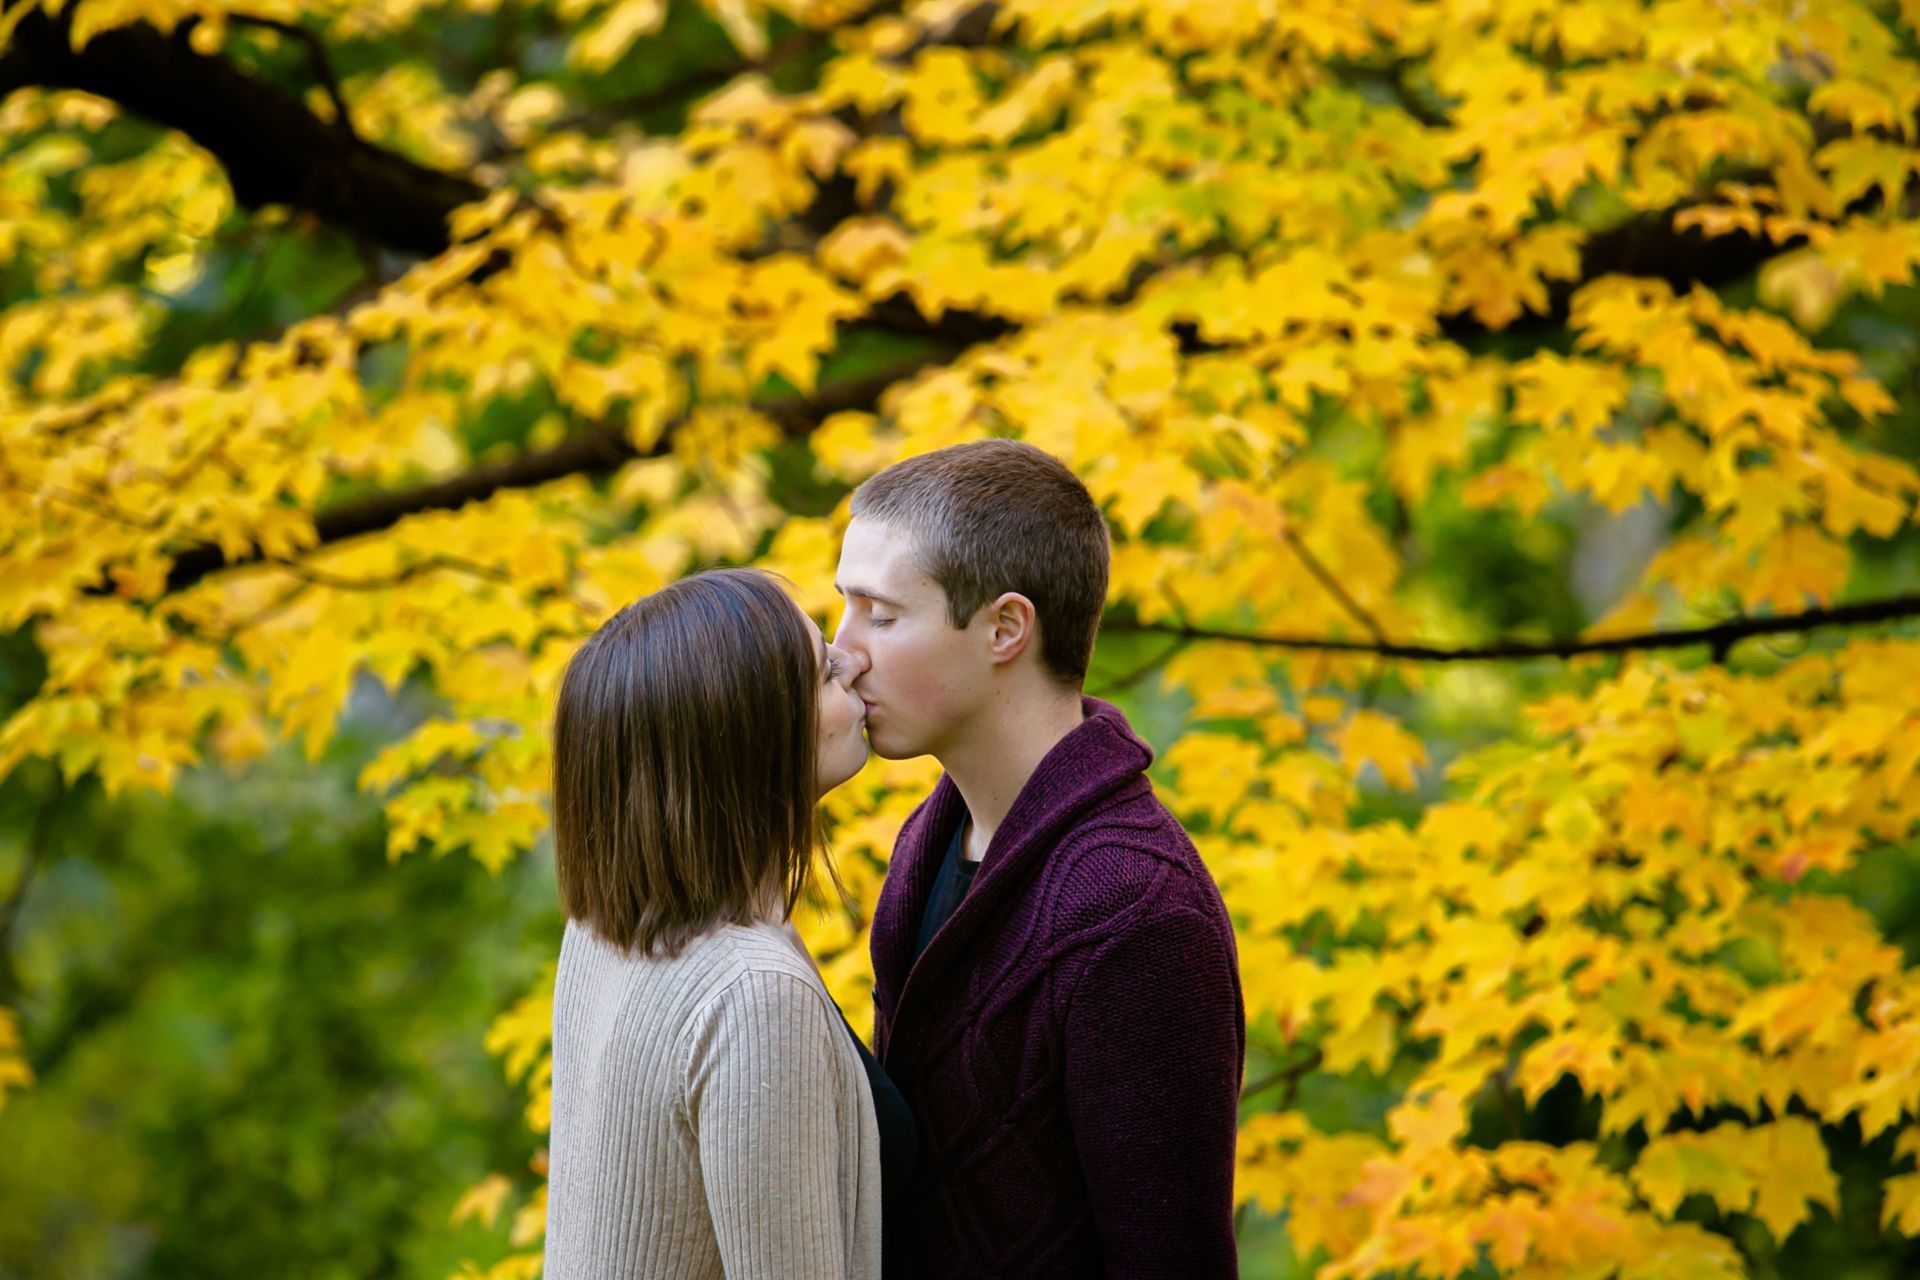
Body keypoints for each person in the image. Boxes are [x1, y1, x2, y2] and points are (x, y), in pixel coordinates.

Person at [833, 439, 1246, 1279]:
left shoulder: (1138, 912)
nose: (843, 651)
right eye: (844, 608)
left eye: (880, 615)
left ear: (1005, 629)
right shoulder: (928, 840)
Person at [542, 567, 914, 1280]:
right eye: (822, 672)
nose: (854, 660)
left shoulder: (602, 929)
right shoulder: (753, 995)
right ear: (749, 738)